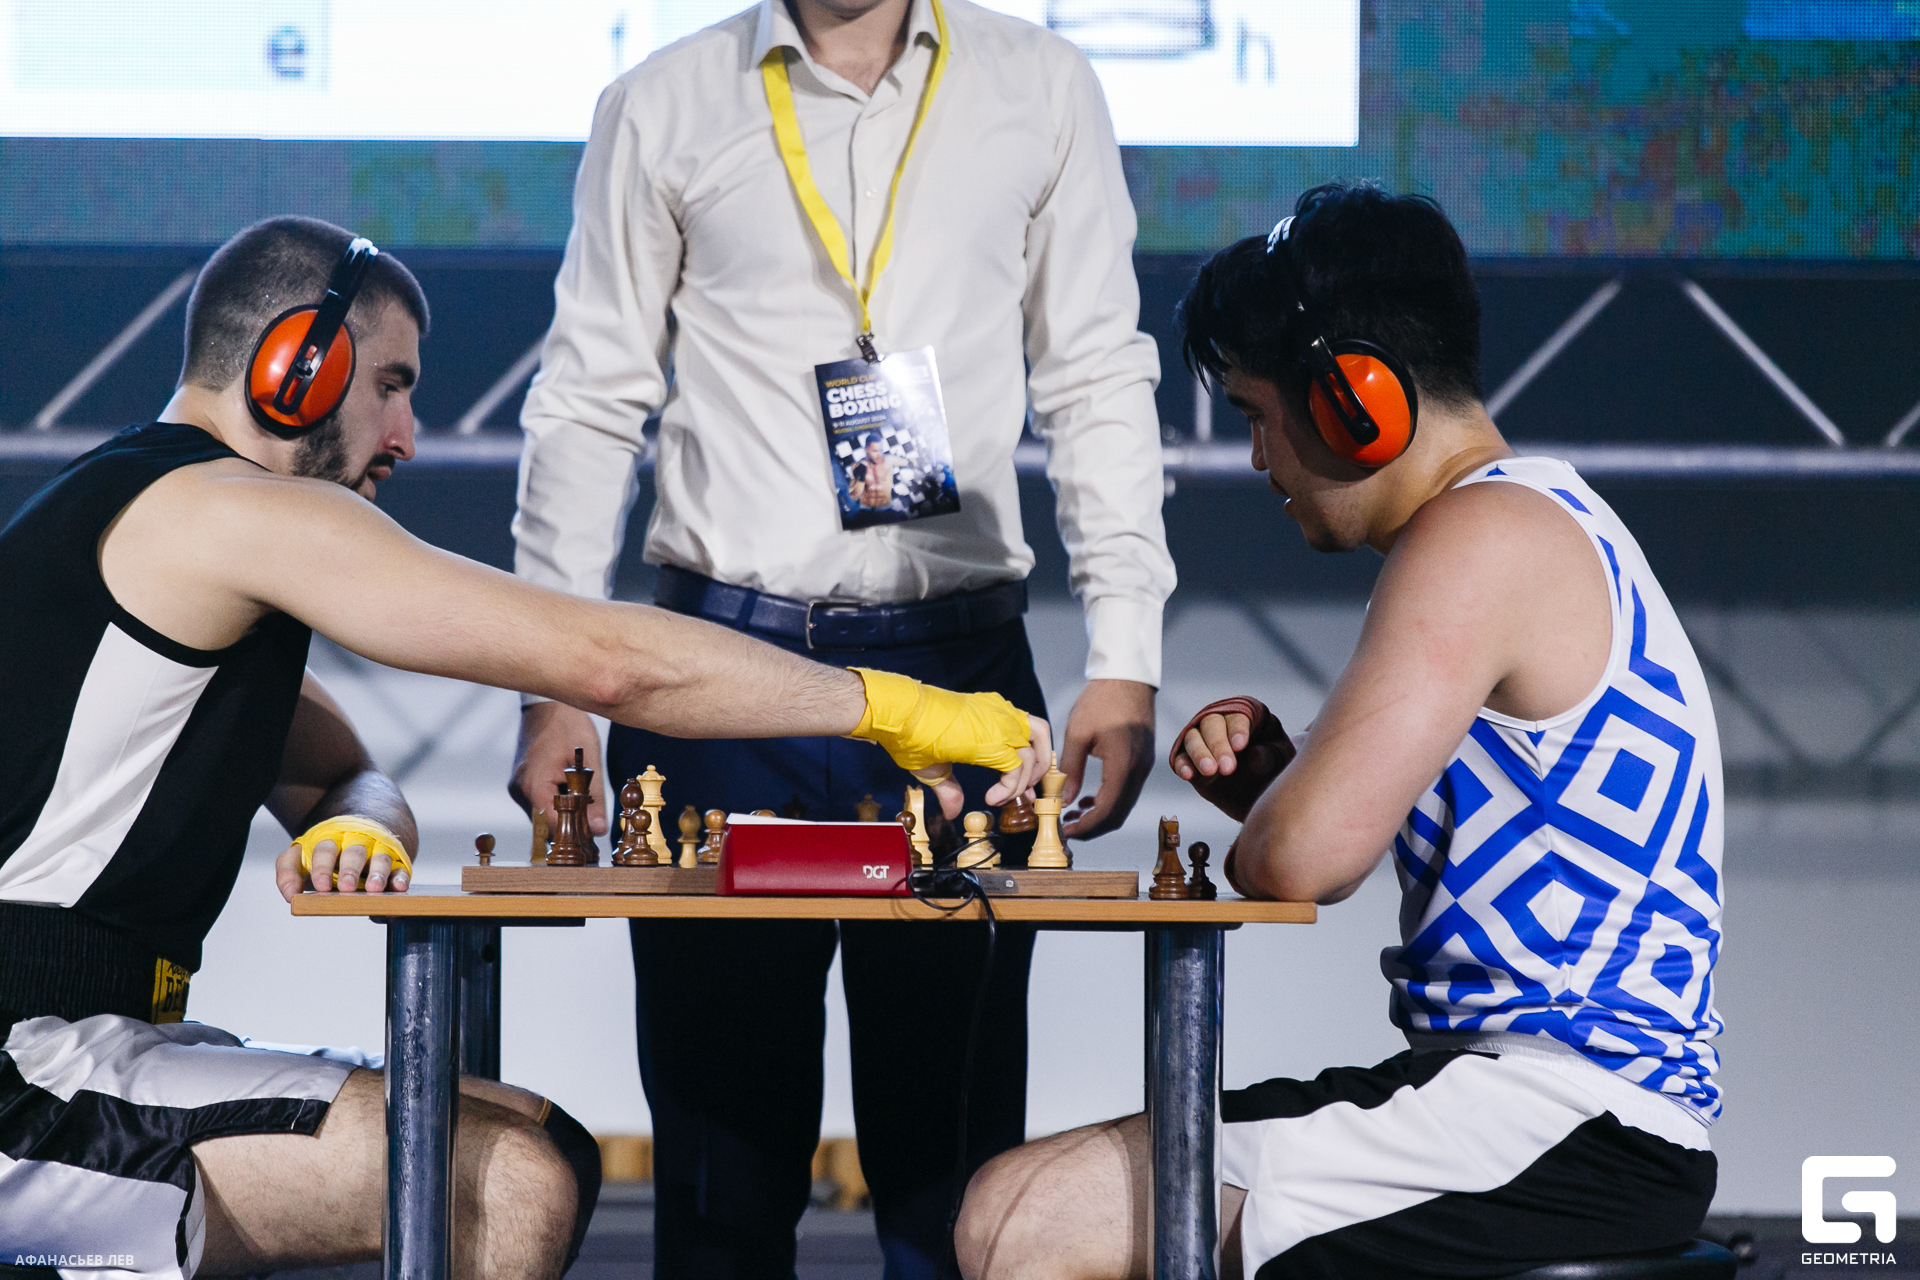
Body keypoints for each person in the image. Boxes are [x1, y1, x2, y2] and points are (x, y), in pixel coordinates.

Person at [0, 215, 1050, 1280]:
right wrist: (893, 706)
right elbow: (607, 664)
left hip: (87, 1047)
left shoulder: (154, 513)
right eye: (391, 385)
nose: (407, 435)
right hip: (24, 1073)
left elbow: (341, 770)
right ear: (297, 366)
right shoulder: (224, 509)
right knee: (504, 1175)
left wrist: (360, 820)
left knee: (525, 1137)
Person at [508, 0, 1175, 1274]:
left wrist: (1126, 651)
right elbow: (589, 399)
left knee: (955, 1193)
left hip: (960, 675)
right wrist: (552, 689)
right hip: (718, 684)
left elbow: (1096, 372)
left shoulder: (1040, 86)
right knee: (721, 1190)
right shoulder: (665, 100)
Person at [955, 183, 1726, 1279]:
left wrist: (1286, 812)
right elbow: (1349, 836)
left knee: (1025, 1218)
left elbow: (1301, 861)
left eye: (1257, 415)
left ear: (1353, 401)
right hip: (1542, 1105)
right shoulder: (1536, 516)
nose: (1258, 458)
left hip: (1560, 1115)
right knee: (1022, 1200)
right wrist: (1282, 788)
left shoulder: (1478, 536)